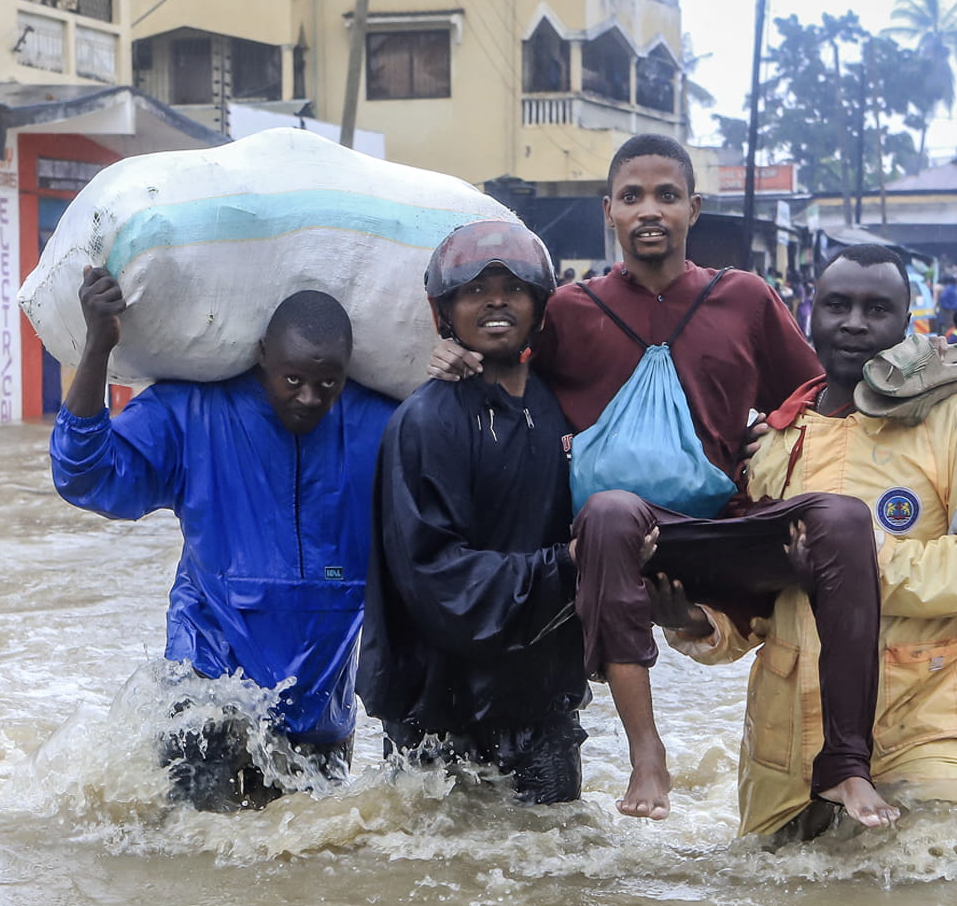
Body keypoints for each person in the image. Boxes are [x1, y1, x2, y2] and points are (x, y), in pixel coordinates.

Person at [429, 134, 891, 827]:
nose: (651, 210)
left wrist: (774, 428)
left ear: (693, 209)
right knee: (613, 509)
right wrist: (454, 356)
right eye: (634, 196)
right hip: (619, 544)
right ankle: (648, 752)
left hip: (720, 531)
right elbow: (509, 369)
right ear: (608, 209)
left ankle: (845, 763)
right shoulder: (570, 309)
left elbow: (817, 396)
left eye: (667, 196)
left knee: (845, 521)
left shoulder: (745, 299)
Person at [655, 245, 957, 839]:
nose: (855, 322)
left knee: (936, 886)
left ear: (907, 324)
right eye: (837, 305)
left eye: (876, 308)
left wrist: (853, 564)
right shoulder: (776, 441)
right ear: (810, 316)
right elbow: (756, 604)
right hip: (783, 752)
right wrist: (698, 621)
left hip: (923, 728)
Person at [51, 270, 396, 812]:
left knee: (308, 873)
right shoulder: (193, 414)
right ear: (262, 355)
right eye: (291, 380)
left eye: (327, 385)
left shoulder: (384, 429)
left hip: (319, 710)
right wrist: (98, 345)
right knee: (194, 866)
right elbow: (85, 474)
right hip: (205, 695)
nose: (308, 398)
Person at [362, 221, 590, 804]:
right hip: (438, 709)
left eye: (513, 289)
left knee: (557, 875)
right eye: (474, 290)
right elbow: (434, 575)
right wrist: (564, 566)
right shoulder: (426, 421)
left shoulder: (561, 406)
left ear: (540, 307)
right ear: (445, 313)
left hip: (542, 705)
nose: (495, 301)